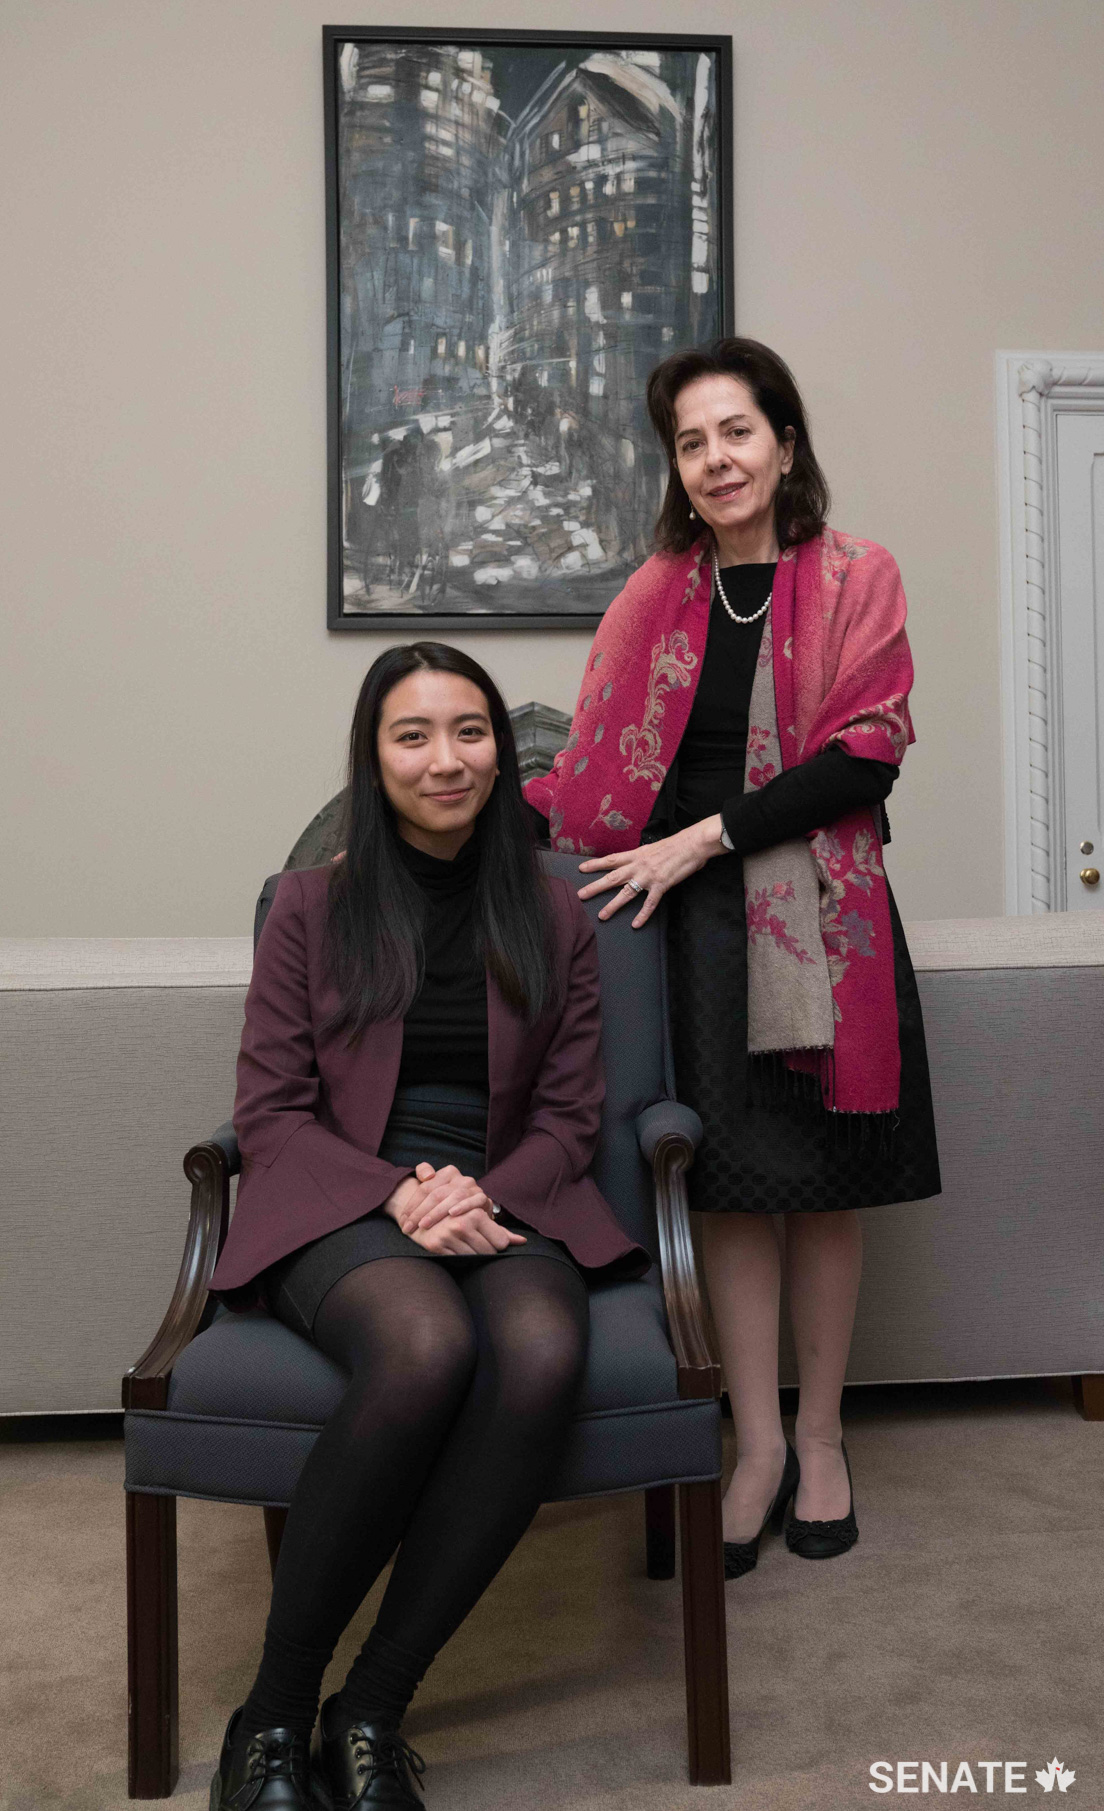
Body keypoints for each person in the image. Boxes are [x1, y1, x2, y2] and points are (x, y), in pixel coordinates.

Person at [524, 337, 940, 1582]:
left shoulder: (860, 574)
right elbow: (594, 777)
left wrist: (701, 837)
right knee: (733, 1197)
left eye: (737, 431)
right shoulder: (653, 593)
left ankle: (822, 1437)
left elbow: (866, 755)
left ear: (786, 443)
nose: (716, 458)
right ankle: (751, 1444)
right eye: (692, 441)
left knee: (819, 1187)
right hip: (691, 935)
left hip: (825, 920)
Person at [208, 641, 646, 1809]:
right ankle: (275, 1714)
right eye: (414, 734)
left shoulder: (554, 912)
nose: (445, 758)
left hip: (506, 1184)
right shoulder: (308, 906)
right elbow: (271, 1112)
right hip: (339, 1191)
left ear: (502, 750)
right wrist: (398, 1191)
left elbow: (571, 1109)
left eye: (469, 730)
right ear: (375, 755)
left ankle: (372, 1707)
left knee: (544, 1348)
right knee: (424, 1345)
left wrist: (482, 1193)